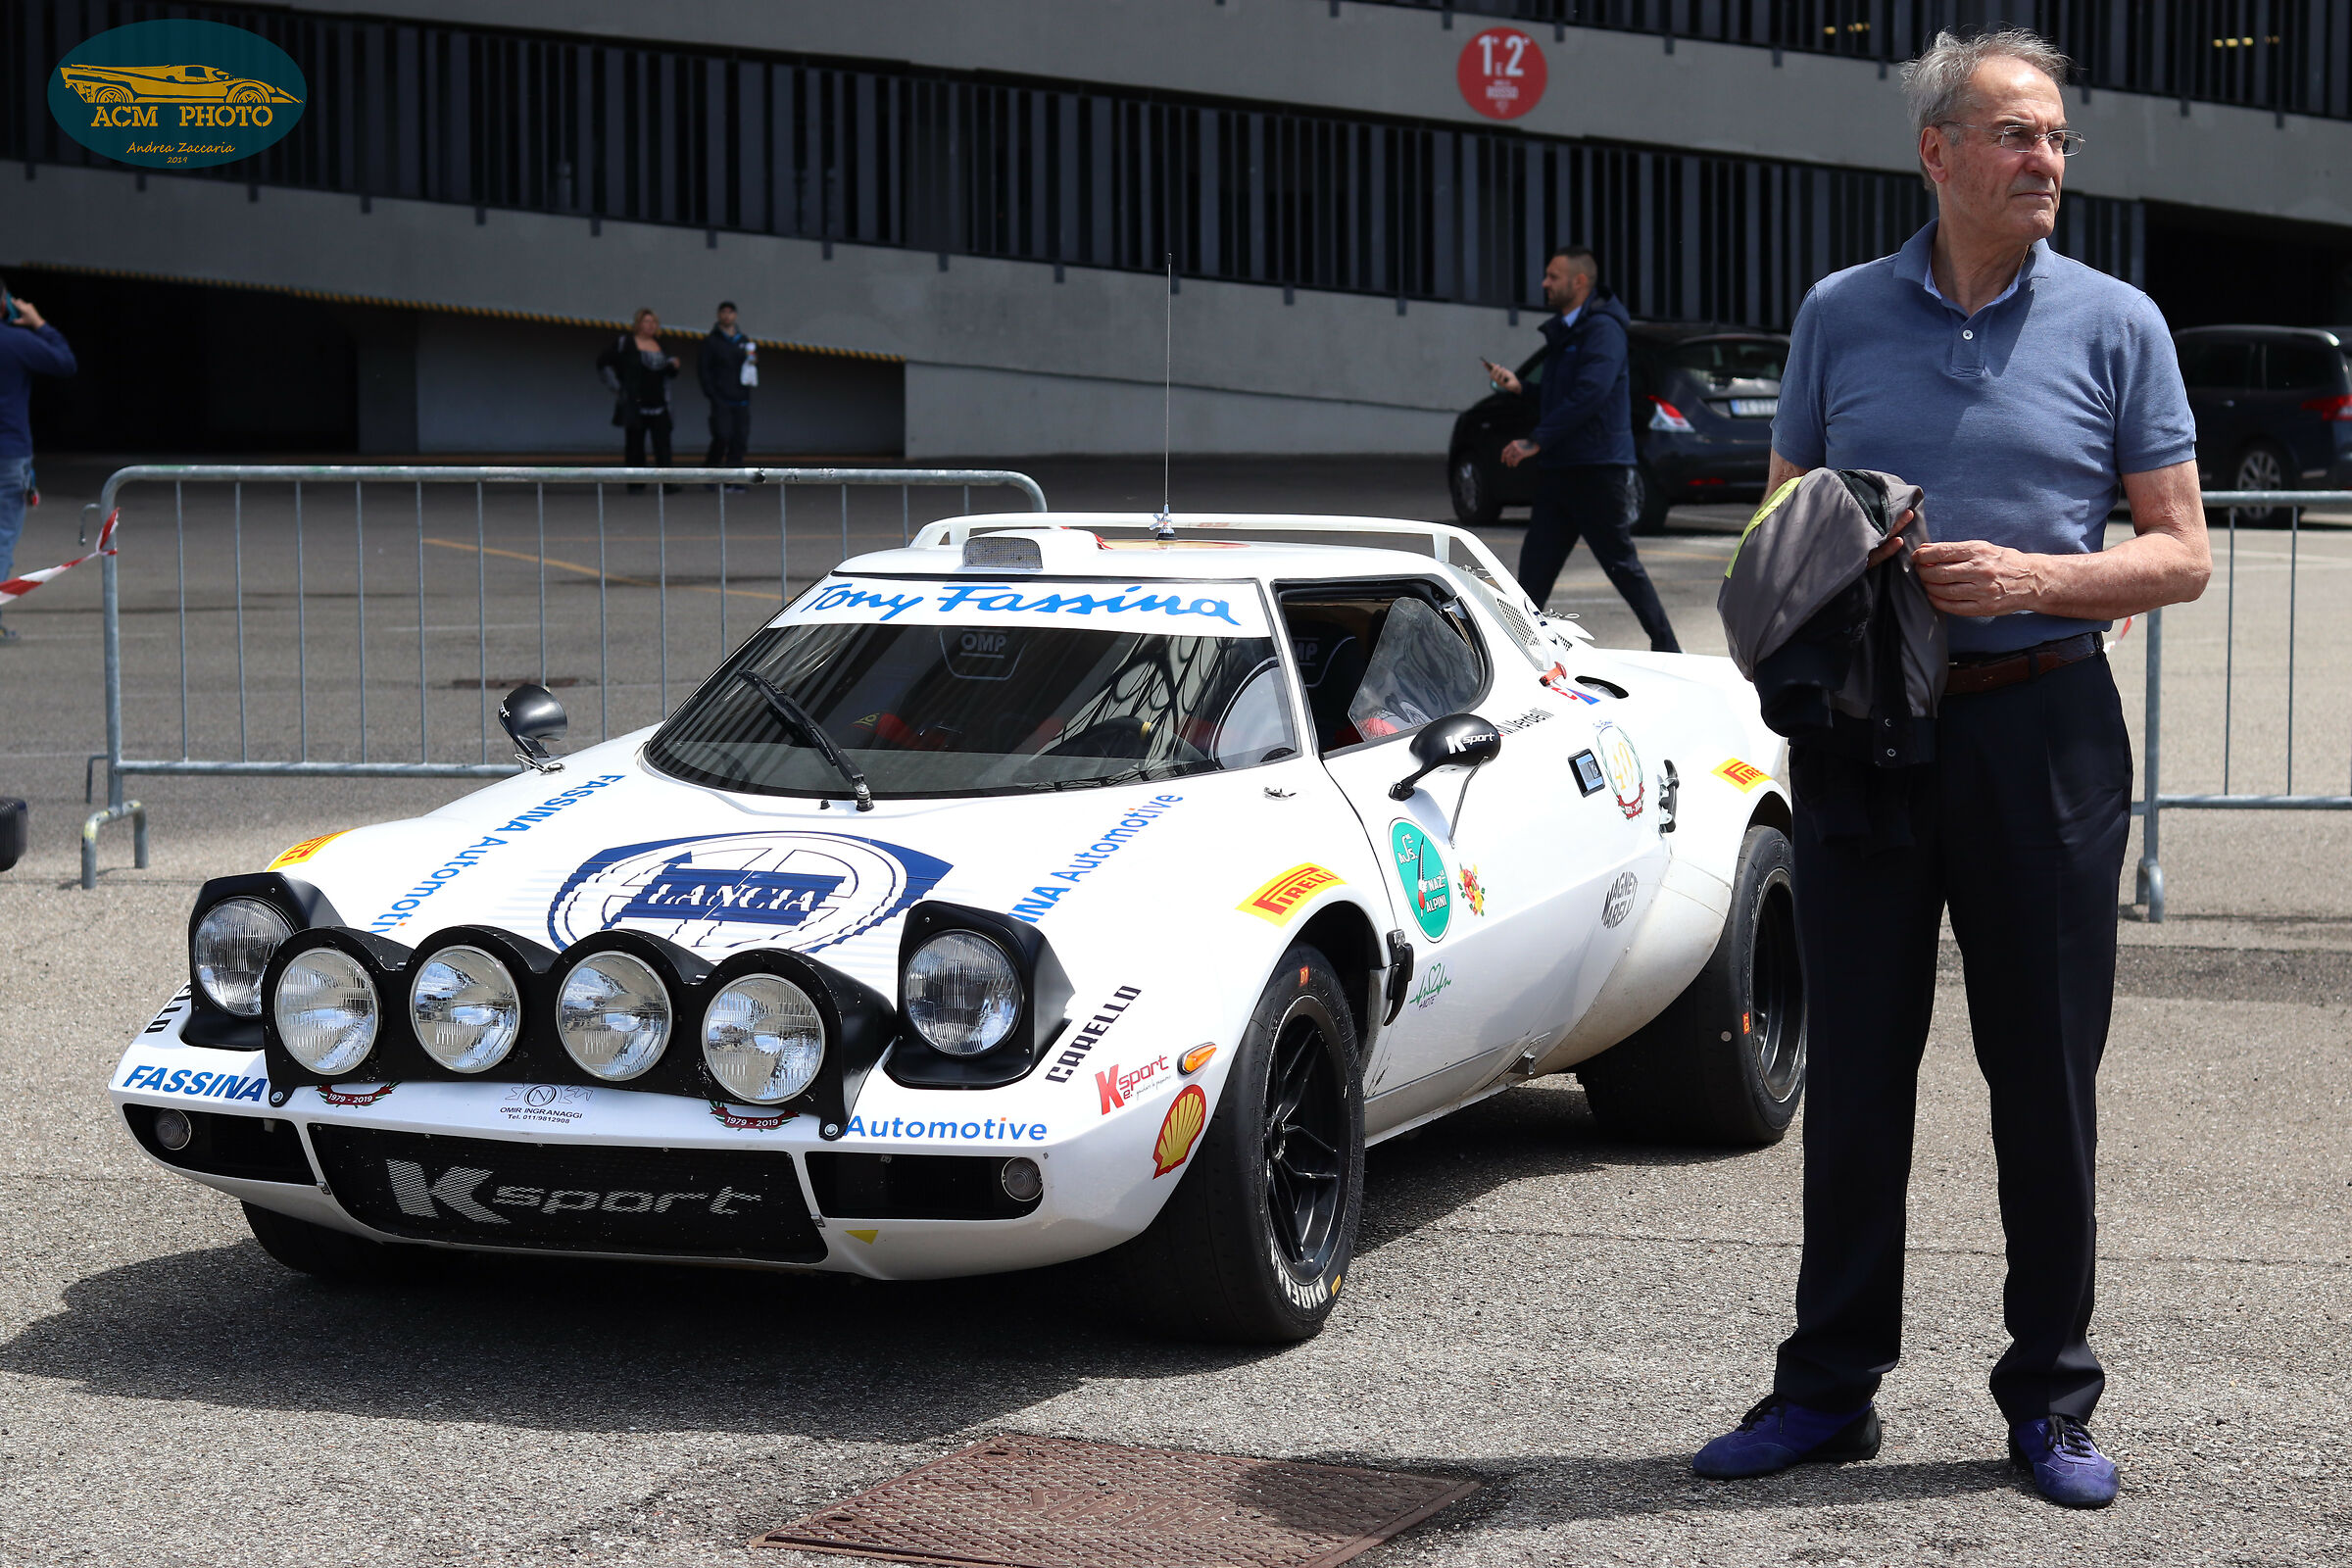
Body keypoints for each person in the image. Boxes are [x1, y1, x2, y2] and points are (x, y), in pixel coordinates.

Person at [1689, 29, 2209, 1510]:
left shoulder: (2119, 323)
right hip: (1866, 732)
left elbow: (2182, 557)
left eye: (2056, 139)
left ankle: (2048, 1401)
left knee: (2043, 1080)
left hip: (2042, 727)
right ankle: (1826, 1390)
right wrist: (1845, 548)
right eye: (2015, 136)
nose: (2045, 161)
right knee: (1854, 1075)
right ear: (1937, 152)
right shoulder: (1842, 315)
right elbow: (1781, 524)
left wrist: (2031, 581)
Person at [1489, 246, 1680, 653]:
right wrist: (1521, 387)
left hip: (1597, 469)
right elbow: (1564, 395)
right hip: (1562, 469)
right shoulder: (1568, 330)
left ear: (1579, 282)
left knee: (1622, 566)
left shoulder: (1603, 330)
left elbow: (1590, 394)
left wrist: (1534, 440)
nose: (1544, 283)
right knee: (1534, 570)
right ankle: (1516, 653)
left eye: (1553, 276)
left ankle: (1667, 647)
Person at [0, 281, 75, 644]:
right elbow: (65, 362)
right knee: (0, 539)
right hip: (9, 454)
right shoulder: (17, 343)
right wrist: (38, 322)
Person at [597, 308, 680, 493]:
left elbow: (667, 373)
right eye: (646, 321)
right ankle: (635, 483)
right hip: (636, 404)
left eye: (653, 322)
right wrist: (618, 388)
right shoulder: (625, 343)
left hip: (659, 403)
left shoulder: (660, 344)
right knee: (635, 445)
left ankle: (667, 482)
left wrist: (673, 366)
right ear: (638, 324)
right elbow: (603, 363)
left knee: (663, 444)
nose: (650, 325)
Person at [700, 300, 756, 489]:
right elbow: (704, 370)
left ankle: (734, 480)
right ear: (718, 315)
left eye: (730, 312)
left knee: (739, 439)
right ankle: (711, 475)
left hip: (741, 399)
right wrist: (712, 394)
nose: (727, 316)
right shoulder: (711, 341)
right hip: (721, 398)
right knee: (722, 436)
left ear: (735, 316)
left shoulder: (744, 341)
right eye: (723, 312)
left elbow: (750, 369)